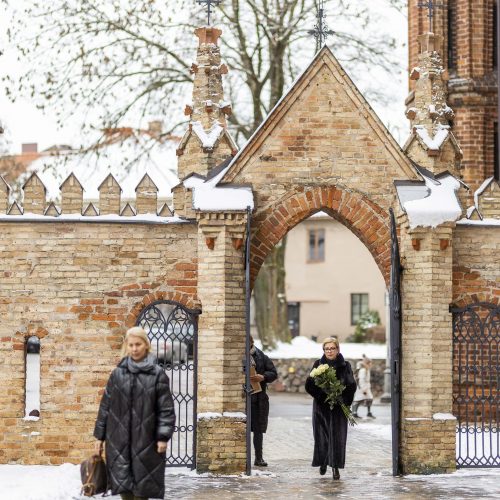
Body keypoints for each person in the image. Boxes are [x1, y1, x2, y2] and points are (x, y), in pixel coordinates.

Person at [94, 327, 176, 500]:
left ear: (146, 345)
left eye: (138, 344)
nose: (134, 348)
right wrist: (99, 437)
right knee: (124, 490)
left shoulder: (157, 375)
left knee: (142, 491)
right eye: (131, 345)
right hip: (118, 442)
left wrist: (163, 437)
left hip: (146, 442)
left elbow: (166, 409)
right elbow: (105, 406)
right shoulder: (117, 374)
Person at [305, 337, 356, 480]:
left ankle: (335, 467)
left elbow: (351, 386)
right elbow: (309, 385)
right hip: (321, 408)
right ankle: (323, 462)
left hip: (339, 408)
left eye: (332, 348)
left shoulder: (346, 365)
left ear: (338, 349)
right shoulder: (318, 364)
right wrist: (323, 396)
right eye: (327, 348)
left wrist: (343, 399)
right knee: (322, 437)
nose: (329, 351)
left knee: (337, 438)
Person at [249, 335, 278, 467]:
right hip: (242, 398)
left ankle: (258, 458)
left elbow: (273, 373)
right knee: (240, 429)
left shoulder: (260, 355)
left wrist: (263, 377)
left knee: (258, 430)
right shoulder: (236, 354)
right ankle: (242, 458)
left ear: (251, 342)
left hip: (258, 399)